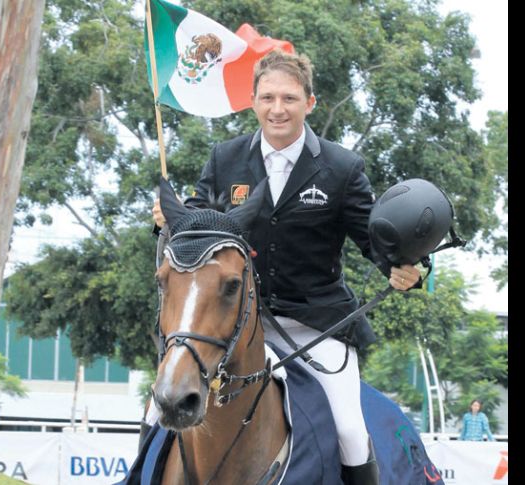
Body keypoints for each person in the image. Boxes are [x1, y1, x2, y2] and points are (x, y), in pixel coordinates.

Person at [152, 49, 421, 485]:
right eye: (268, 98)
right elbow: (197, 233)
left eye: (290, 99)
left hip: (316, 327)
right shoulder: (226, 159)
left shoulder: (341, 167)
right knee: (156, 412)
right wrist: (172, 221)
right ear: (254, 101)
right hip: (235, 327)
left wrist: (403, 267)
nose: (278, 109)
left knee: (351, 430)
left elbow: (374, 239)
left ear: (309, 103)